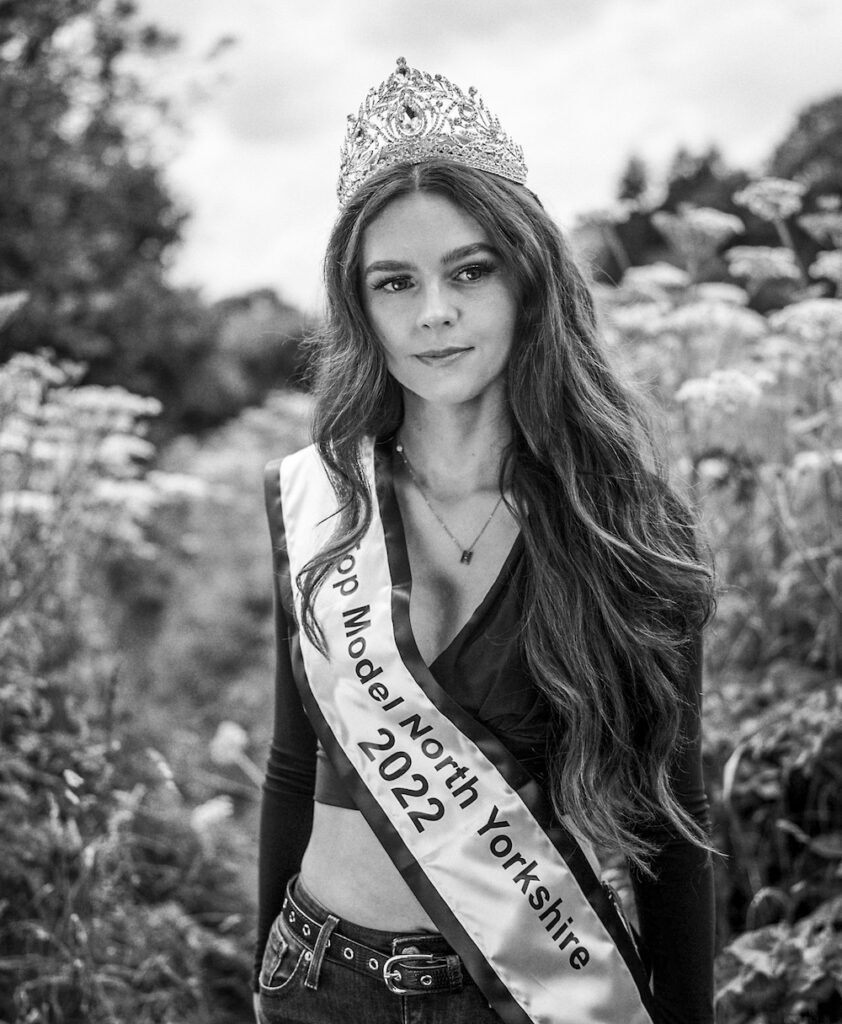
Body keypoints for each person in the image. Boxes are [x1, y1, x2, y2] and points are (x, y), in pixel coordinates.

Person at [253, 57, 716, 1024]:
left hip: (526, 993)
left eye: (469, 269)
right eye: (395, 282)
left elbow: (675, 826)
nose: (434, 312)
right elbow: (296, 766)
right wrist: (267, 971)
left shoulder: (627, 526)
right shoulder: (316, 501)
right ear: (361, 307)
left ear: (529, 278)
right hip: (320, 980)